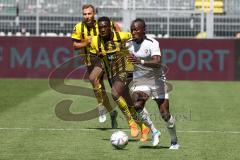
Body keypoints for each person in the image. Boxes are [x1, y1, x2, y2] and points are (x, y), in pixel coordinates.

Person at [89, 16, 150, 140]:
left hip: (126, 70)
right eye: (100, 27)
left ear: (110, 27)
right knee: (128, 103)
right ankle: (144, 127)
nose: (102, 29)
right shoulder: (95, 41)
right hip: (111, 74)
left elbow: (137, 37)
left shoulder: (122, 36)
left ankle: (131, 123)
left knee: (115, 94)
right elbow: (92, 58)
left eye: (105, 27)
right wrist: (99, 57)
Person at [127, 18, 180, 149]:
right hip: (141, 80)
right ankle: (154, 131)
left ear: (143, 30)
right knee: (137, 105)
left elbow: (157, 62)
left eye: (136, 30)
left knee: (165, 114)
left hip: (157, 80)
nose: (133, 32)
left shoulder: (152, 43)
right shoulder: (128, 44)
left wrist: (140, 61)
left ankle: (174, 140)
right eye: (132, 30)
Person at [71, 4, 120, 128]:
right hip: (89, 60)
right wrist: (86, 42)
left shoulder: (101, 24)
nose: (87, 16)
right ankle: (111, 112)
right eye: (85, 14)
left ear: (94, 14)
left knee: (94, 79)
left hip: (104, 58)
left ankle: (101, 106)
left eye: (89, 13)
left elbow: (116, 27)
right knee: (100, 88)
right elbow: (75, 45)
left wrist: (116, 42)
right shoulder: (79, 27)